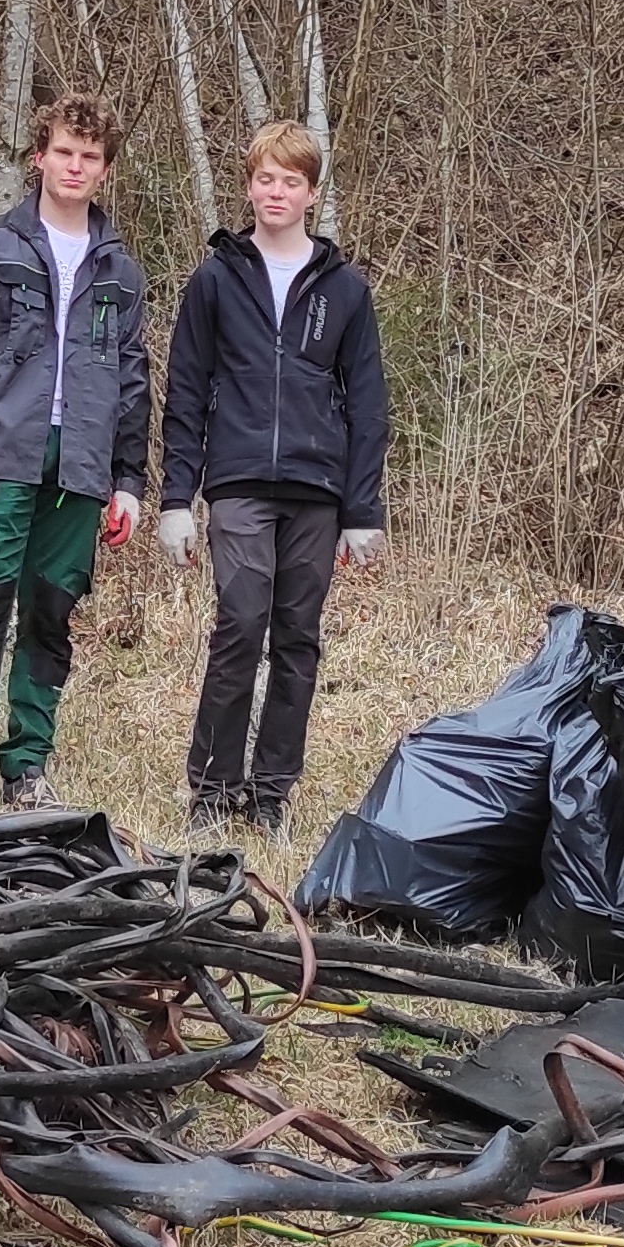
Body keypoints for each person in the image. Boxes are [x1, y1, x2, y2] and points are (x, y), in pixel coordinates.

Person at [0, 91, 150, 821]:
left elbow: (134, 377)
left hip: (81, 467)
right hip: (2, 455)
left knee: (51, 613)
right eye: (64, 152)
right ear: (40, 156)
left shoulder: (122, 271)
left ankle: (28, 767)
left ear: (105, 169)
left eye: (90, 156)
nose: (75, 166)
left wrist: (129, 479)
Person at [157, 121, 389, 832]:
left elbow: (369, 404)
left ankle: (271, 794)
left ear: (311, 193)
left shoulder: (345, 289)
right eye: (265, 178)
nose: (276, 192)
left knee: (297, 635)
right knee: (241, 622)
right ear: (249, 185)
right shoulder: (217, 278)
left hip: (318, 493)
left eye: (291, 180)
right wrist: (175, 498)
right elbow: (187, 388)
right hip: (239, 484)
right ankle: (213, 790)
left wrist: (362, 510)